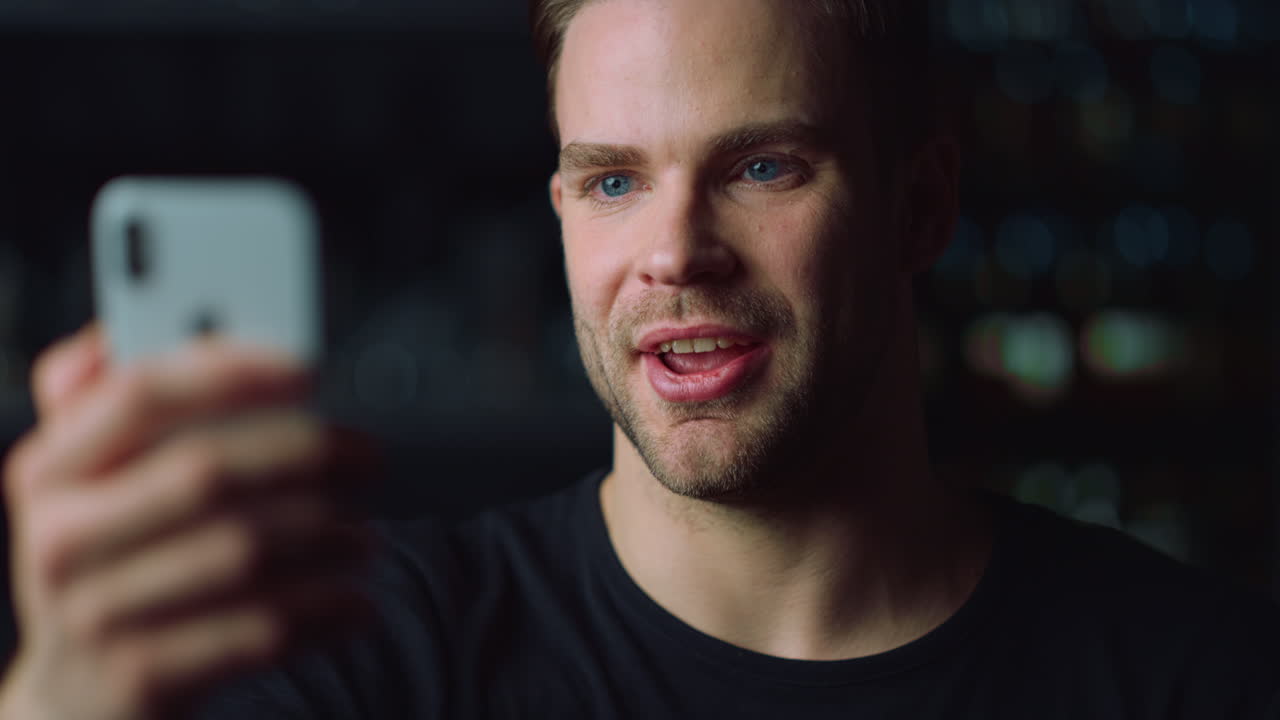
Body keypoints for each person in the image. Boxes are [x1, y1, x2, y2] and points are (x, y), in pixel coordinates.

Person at [2, 0, 1278, 717]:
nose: (673, 253)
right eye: (611, 179)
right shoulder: (369, 651)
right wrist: (58, 696)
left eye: (761, 166)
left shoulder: (1194, 675)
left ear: (918, 205)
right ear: (558, 211)